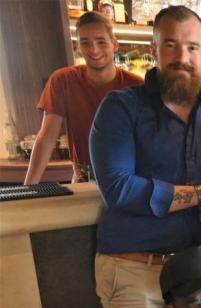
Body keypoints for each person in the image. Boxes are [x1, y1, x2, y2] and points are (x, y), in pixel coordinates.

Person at [90, 5, 201, 308]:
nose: (182, 57)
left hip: (197, 275)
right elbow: (119, 189)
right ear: (153, 50)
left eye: (191, 47)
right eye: (171, 46)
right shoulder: (120, 107)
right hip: (135, 271)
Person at [24, 11, 142, 184]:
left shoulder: (137, 86)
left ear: (114, 44)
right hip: (83, 177)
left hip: (129, 178)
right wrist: (27, 189)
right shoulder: (62, 80)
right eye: (85, 43)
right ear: (78, 47)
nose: (94, 50)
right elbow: (48, 135)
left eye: (101, 42)